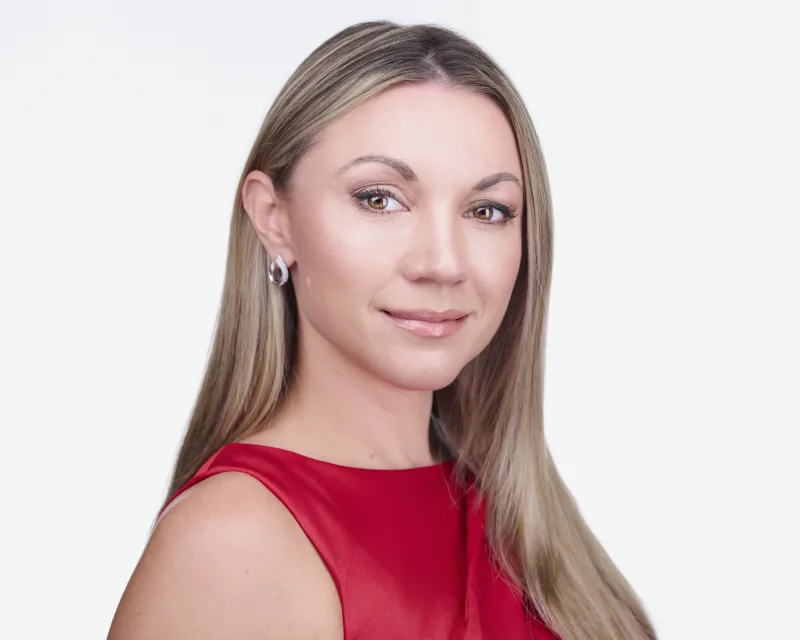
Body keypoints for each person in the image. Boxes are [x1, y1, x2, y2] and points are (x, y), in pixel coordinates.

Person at [108, 20, 657, 640]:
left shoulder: (520, 511)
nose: (442, 264)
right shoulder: (235, 543)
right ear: (274, 219)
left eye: (487, 210)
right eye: (379, 198)